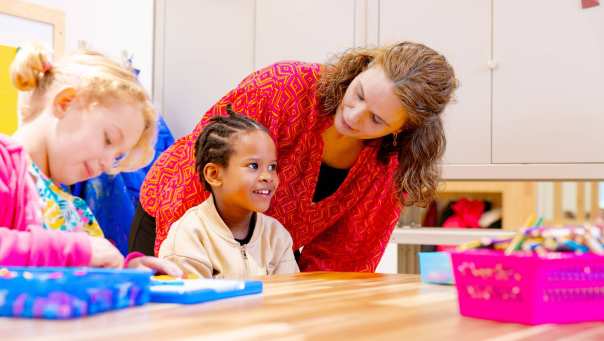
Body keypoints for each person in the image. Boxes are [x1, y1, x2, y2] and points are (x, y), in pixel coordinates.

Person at [133, 42, 457, 272]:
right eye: (358, 94)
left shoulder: (390, 165)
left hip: (260, 253)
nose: (354, 116)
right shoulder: (282, 89)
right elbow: (203, 167)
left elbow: (345, 261)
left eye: (377, 120)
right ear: (363, 67)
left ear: (402, 130)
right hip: (177, 215)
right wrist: (184, 266)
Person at [0, 44, 181, 275]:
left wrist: (125, 269)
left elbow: (83, 266)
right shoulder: (5, 163)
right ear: (65, 103)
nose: (107, 164)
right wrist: (78, 251)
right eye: (108, 139)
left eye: (116, 156)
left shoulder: (72, 205)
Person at [158, 106, 299, 278]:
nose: (267, 176)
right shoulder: (190, 234)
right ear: (214, 174)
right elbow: (190, 301)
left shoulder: (276, 236)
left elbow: (290, 297)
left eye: (272, 167)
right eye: (253, 165)